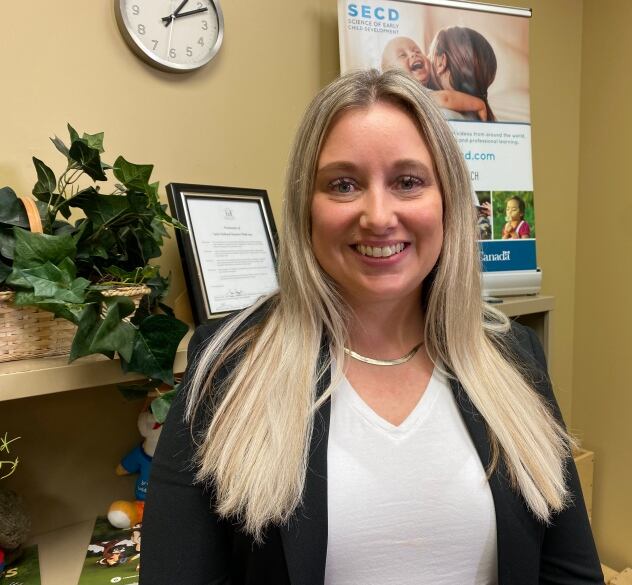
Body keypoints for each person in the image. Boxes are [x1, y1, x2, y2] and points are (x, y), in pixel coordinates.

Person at [141, 69, 602, 584]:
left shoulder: (513, 356)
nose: (378, 216)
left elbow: (571, 573)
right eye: (343, 184)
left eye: (408, 182)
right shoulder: (226, 364)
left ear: (447, 201)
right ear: (305, 208)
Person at [381, 36, 488, 121]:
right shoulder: (411, 93)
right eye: (402, 55)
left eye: (417, 51)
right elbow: (446, 99)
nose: (413, 54)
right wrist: (479, 104)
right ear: (391, 74)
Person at [429, 26, 498, 121]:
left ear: (440, 62)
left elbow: (445, 98)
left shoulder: (435, 110)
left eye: (430, 55)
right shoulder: (486, 116)